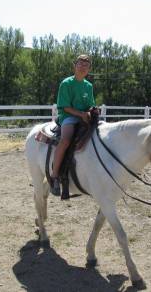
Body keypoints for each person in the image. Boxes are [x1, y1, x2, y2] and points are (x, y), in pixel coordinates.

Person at [51, 54, 96, 196]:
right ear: (74, 66)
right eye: (80, 64)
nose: (83, 67)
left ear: (89, 69)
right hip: (68, 117)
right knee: (65, 140)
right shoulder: (66, 83)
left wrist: (91, 111)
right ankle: (55, 175)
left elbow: (90, 105)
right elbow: (64, 107)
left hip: (84, 117)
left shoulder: (88, 86)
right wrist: (82, 114)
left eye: (86, 65)